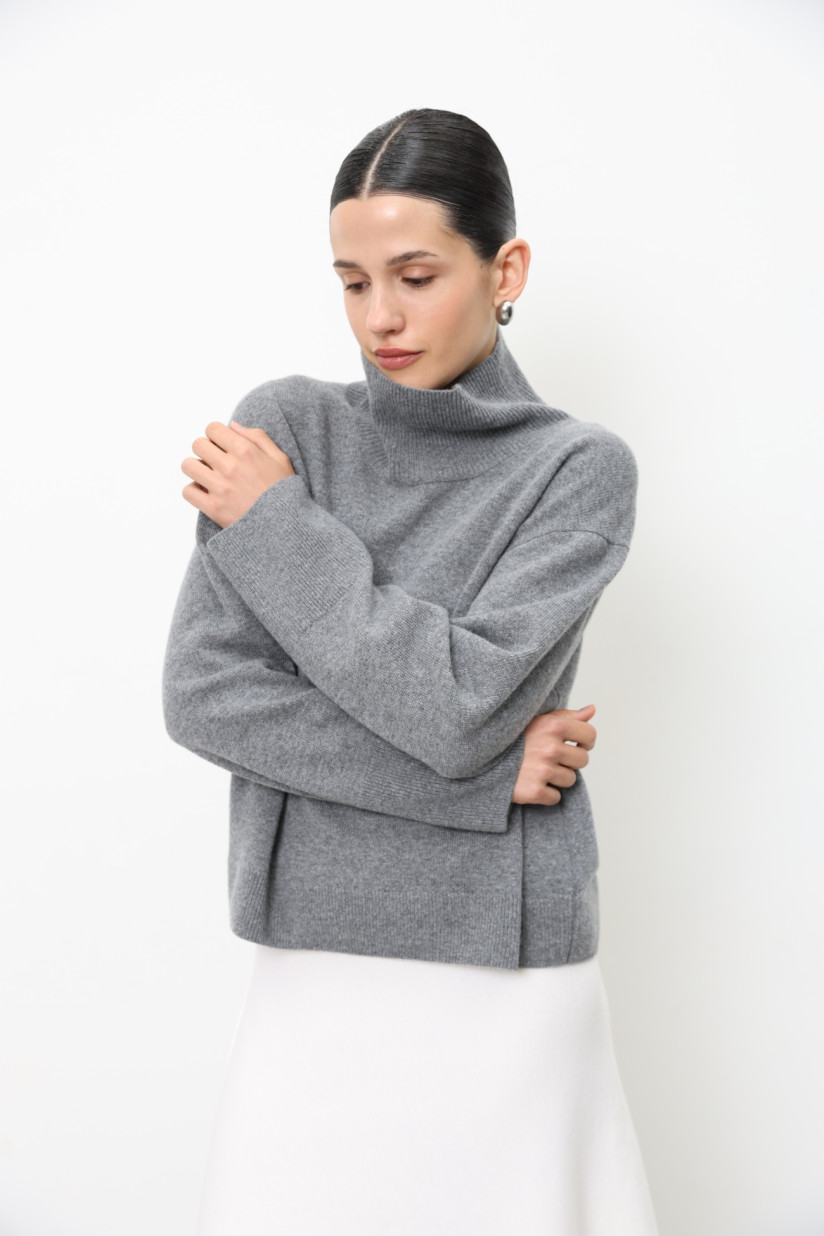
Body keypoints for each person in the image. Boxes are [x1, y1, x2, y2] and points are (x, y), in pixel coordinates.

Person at [162, 108, 659, 1235]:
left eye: (416, 276)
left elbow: (458, 707)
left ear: (504, 271)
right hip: (313, 959)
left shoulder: (576, 470)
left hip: (505, 974)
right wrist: (483, 785)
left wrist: (280, 527)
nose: (378, 317)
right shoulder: (283, 429)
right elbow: (206, 698)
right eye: (352, 282)